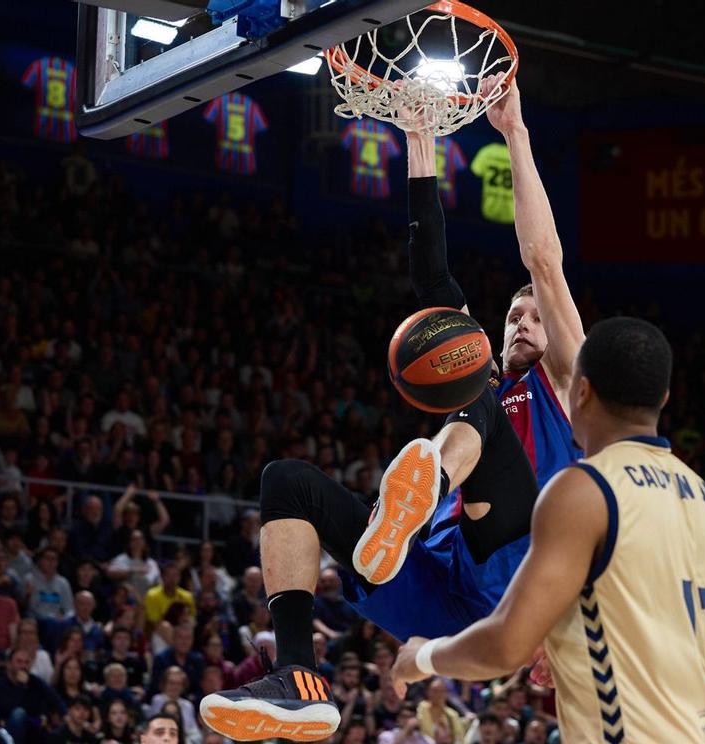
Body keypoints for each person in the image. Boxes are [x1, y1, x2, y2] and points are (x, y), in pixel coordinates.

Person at [200, 76, 586, 741]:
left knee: (483, 412)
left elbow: (544, 262)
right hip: (439, 591)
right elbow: (434, 280)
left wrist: (514, 134)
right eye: (513, 315)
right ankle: (298, 679)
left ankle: (422, 486)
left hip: (517, 576)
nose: (524, 322)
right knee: (287, 483)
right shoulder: (487, 376)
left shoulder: (569, 388)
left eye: (534, 318)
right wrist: (418, 142)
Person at [390, 318, 705, 742]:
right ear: (662, 398)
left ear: (581, 391)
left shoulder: (583, 489)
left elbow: (506, 647)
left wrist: (420, 656)